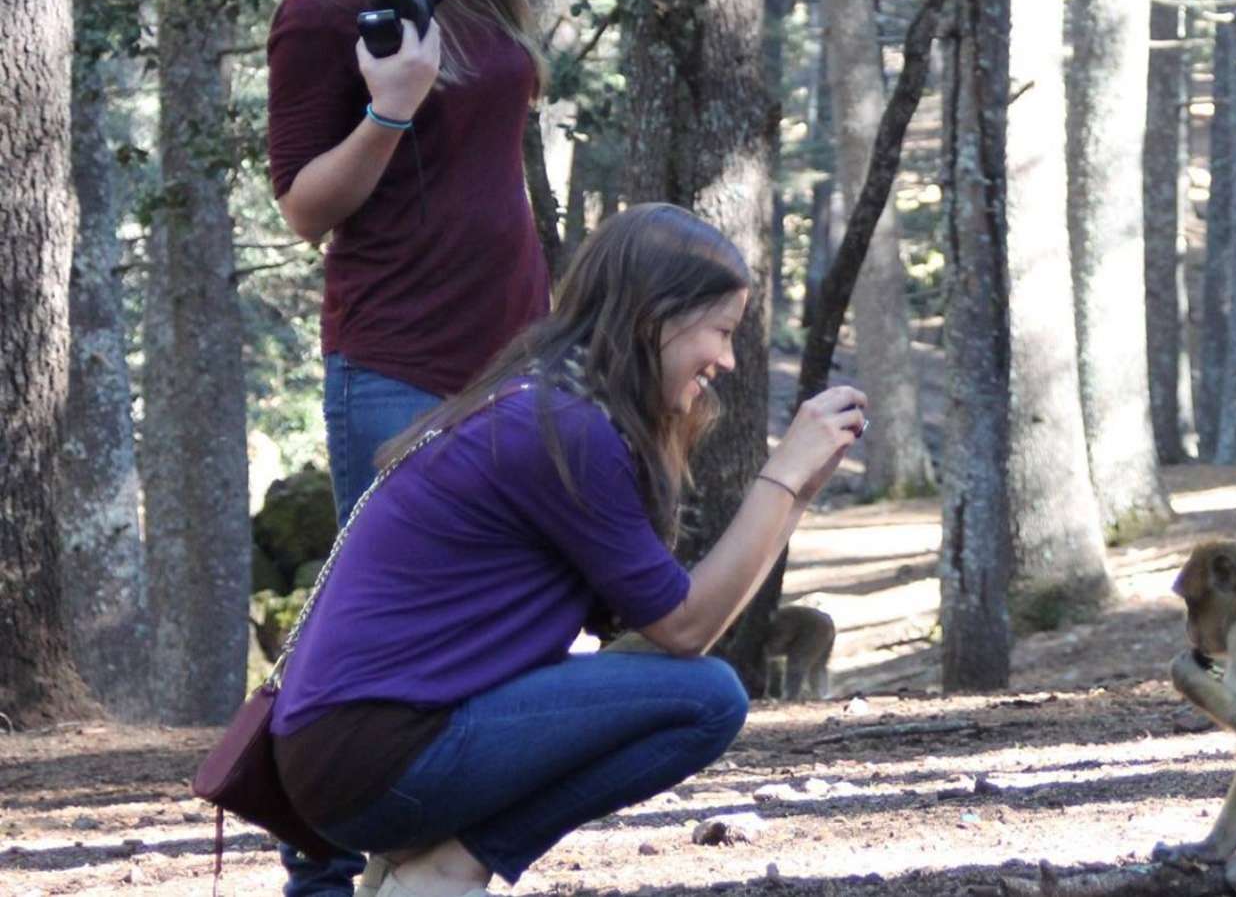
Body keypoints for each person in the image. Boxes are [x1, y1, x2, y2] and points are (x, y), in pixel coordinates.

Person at [272, 204, 867, 897]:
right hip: (375, 757)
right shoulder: (563, 429)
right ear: (657, 317)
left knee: (679, 678)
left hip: (352, 752)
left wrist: (795, 493)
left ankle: (415, 867)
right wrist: (783, 478)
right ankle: (447, 868)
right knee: (707, 700)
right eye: (723, 332)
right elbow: (686, 626)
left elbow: (661, 632)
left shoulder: (549, 404)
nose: (729, 360)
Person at [265, 0, 550, 888]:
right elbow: (303, 206)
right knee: (369, 648)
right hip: (397, 365)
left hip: (517, 364)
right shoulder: (324, 10)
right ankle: (322, 876)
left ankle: (433, 863)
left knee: (509, 623)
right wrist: (391, 107)